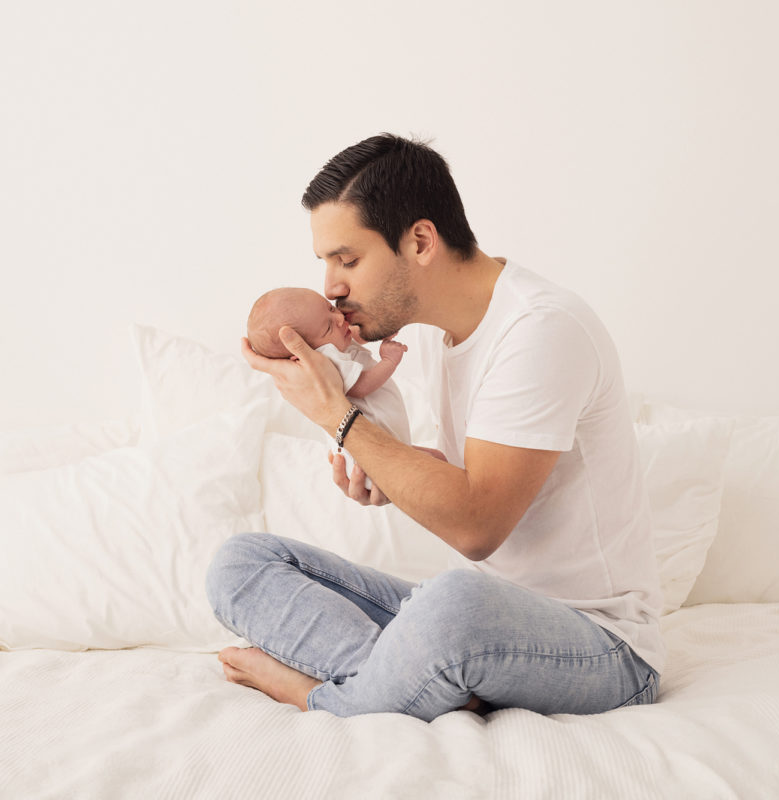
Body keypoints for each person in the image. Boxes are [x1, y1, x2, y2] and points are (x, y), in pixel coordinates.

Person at [205, 133, 665, 722]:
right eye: (326, 264)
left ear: (420, 240)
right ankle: (413, 678)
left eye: (347, 260)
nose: (331, 288)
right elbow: (465, 484)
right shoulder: (436, 340)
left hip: (602, 649)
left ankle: (325, 695)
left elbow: (477, 526)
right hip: (489, 628)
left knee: (452, 602)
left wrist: (336, 416)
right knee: (240, 563)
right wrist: (391, 470)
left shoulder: (541, 330)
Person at [246, 286, 411, 488]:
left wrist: (379, 327)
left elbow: (354, 337)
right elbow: (360, 387)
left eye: (330, 308)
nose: (340, 319)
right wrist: (389, 361)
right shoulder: (325, 360)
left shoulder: (332, 342)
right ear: (303, 351)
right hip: (368, 457)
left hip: (380, 446)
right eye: (328, 327)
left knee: (436, 460)